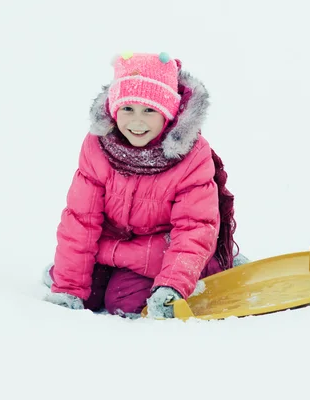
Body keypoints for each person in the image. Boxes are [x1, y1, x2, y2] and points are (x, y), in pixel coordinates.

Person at [43, 51, 249, 319]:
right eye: (127, 108)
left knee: (124, 301)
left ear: (169, 113)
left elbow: (194, 227)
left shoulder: (190, 156)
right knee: (84, 291)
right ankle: (99, 276)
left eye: (149, 110)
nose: (137, 121)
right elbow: (81, 220)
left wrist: (173, 285)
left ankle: (212, 265)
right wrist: (68, 288)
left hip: (161, 248)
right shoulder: (98, 147)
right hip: (113, 247)